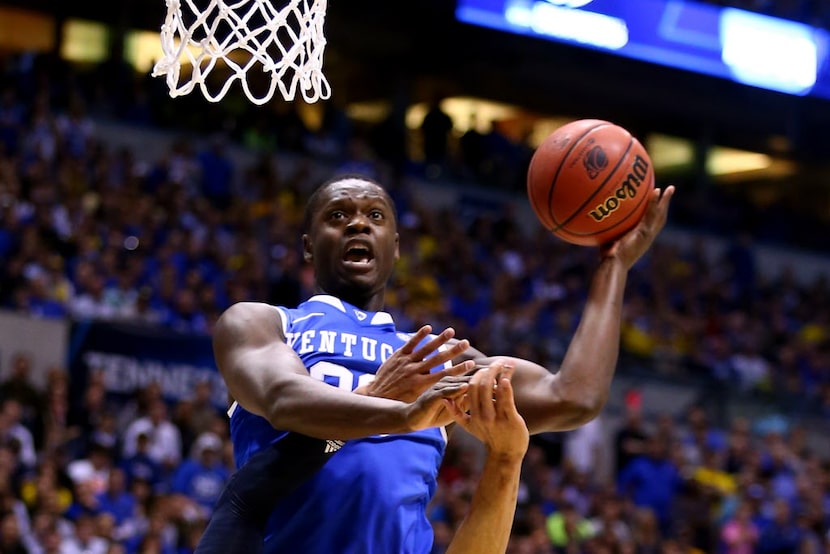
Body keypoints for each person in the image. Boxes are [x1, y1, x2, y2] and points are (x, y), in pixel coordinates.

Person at [211, 173, 674, 553]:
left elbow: (573, 397)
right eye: (338, 216)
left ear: (395, 246)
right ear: (309, 247)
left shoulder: (437, 354)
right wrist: (399, 411)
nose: (357, 224)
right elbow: (281, 398)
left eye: (374, 216)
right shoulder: (264, 322)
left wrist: (614, 268)